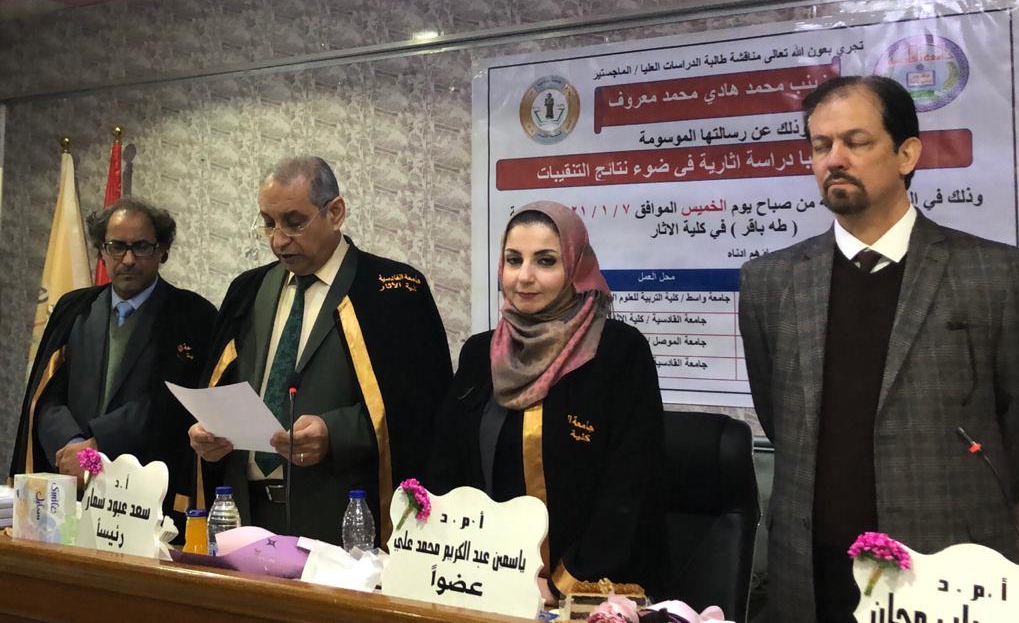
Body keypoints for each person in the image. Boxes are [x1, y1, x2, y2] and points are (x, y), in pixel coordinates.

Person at [738, 75, 1019, 622]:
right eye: (821, 146)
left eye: (856, 141)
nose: (834, 159)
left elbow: (1016, 426)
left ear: (907, 154)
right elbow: (779, 417)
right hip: (813, 566)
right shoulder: (770, 282)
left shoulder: (996, 275)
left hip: (947, 564)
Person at [188, 156, 452, 544]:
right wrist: (207, 433)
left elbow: (424, 408)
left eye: (294, 222)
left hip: (343, 519)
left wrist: (335, 432)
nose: (278, 240)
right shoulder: (247, 289)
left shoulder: (393, 289)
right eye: (269, 223)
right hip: (245, 515)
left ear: (335, 212)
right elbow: (220, 386)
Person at [429, 201, 665, 603]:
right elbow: (447, 469)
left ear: (576, 268)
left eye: (546, 261)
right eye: (513, 260)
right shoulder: (481, 353)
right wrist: (447, 558)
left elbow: (630, 487)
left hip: (592, 590)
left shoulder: (618, 352)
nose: (524, 276)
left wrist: (562, 583)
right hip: (488, 584)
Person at [9, 197, 217, 527]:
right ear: (101, 252)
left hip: (146, 497)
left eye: (141, 247)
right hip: (70, 486)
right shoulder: (73, 308)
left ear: (162, 251)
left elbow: (171, 403)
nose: (128, 259)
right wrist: (74, 447)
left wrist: (97, 448)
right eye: (117, 247)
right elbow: (46, 395)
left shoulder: (193, 316)